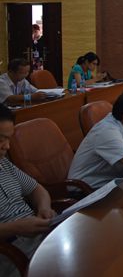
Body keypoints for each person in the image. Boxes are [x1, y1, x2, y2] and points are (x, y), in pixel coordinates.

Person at [0, 104, 55, 277]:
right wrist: (15, 228)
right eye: (1, 139)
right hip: (9, 251)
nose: (7, 147)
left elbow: (36, 189)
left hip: (35, 235)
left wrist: (44, 208)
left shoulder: (4, 163)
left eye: (9, 139)